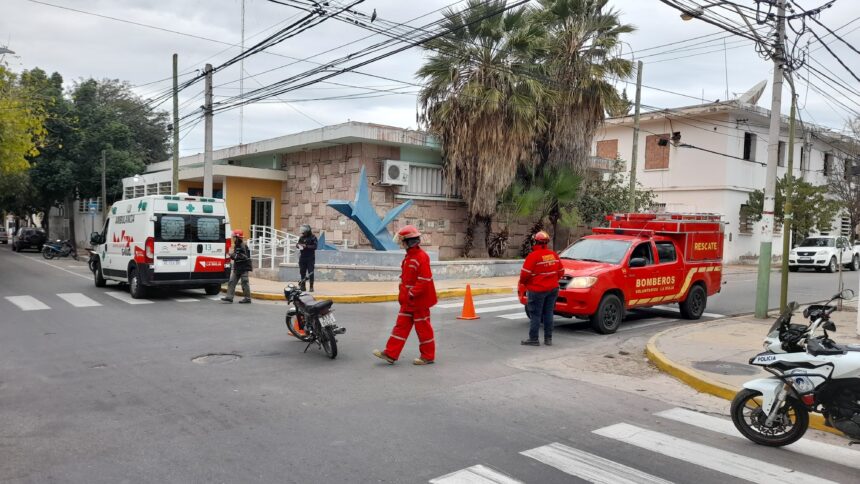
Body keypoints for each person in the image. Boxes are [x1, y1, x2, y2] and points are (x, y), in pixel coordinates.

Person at [373, 225, 438, 365]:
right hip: (408, 301)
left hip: (419, 302)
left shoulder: (421, 257)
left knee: (423, 329)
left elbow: (424, 280)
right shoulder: (409, 257)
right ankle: (391, 353)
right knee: (400, 327)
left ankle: (428, 356)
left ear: (408, 242)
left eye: (403, 241)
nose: (401, 244)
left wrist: (410, 293)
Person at [519, 230, 564, 346]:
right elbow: (561, 271)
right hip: (553, 289)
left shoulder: (533, 256)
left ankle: (534, 339)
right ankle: (548, 339)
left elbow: (525, 275)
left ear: (535, 242)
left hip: (537, 290)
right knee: (548, 313)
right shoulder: (553, 255)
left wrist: (525, 283)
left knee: (535, 315)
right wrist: (552, 280)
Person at [222, 229, 252, 304]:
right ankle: (229, 297)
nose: (233, 238)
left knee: (244, 282)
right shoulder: (237, 244)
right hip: (238, 267)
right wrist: (233, 255)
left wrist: (232, 255)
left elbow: (244, 256)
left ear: (238, 237)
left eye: (234, 237)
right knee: (232, 281)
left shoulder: (242, 245)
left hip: (244, 267)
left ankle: (247, 298)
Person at [296, 224, 318, 292]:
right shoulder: (301, 238)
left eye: (304, 231)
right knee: (302, 272)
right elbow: (298, 244)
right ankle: (303, 286)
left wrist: (306, 246)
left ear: (308, 231)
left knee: (310, 272)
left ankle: (311, 287)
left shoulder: (313, 237)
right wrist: (298, 245)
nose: (303, 233)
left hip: (310, 258)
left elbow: (315, 246)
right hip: (302, 257)